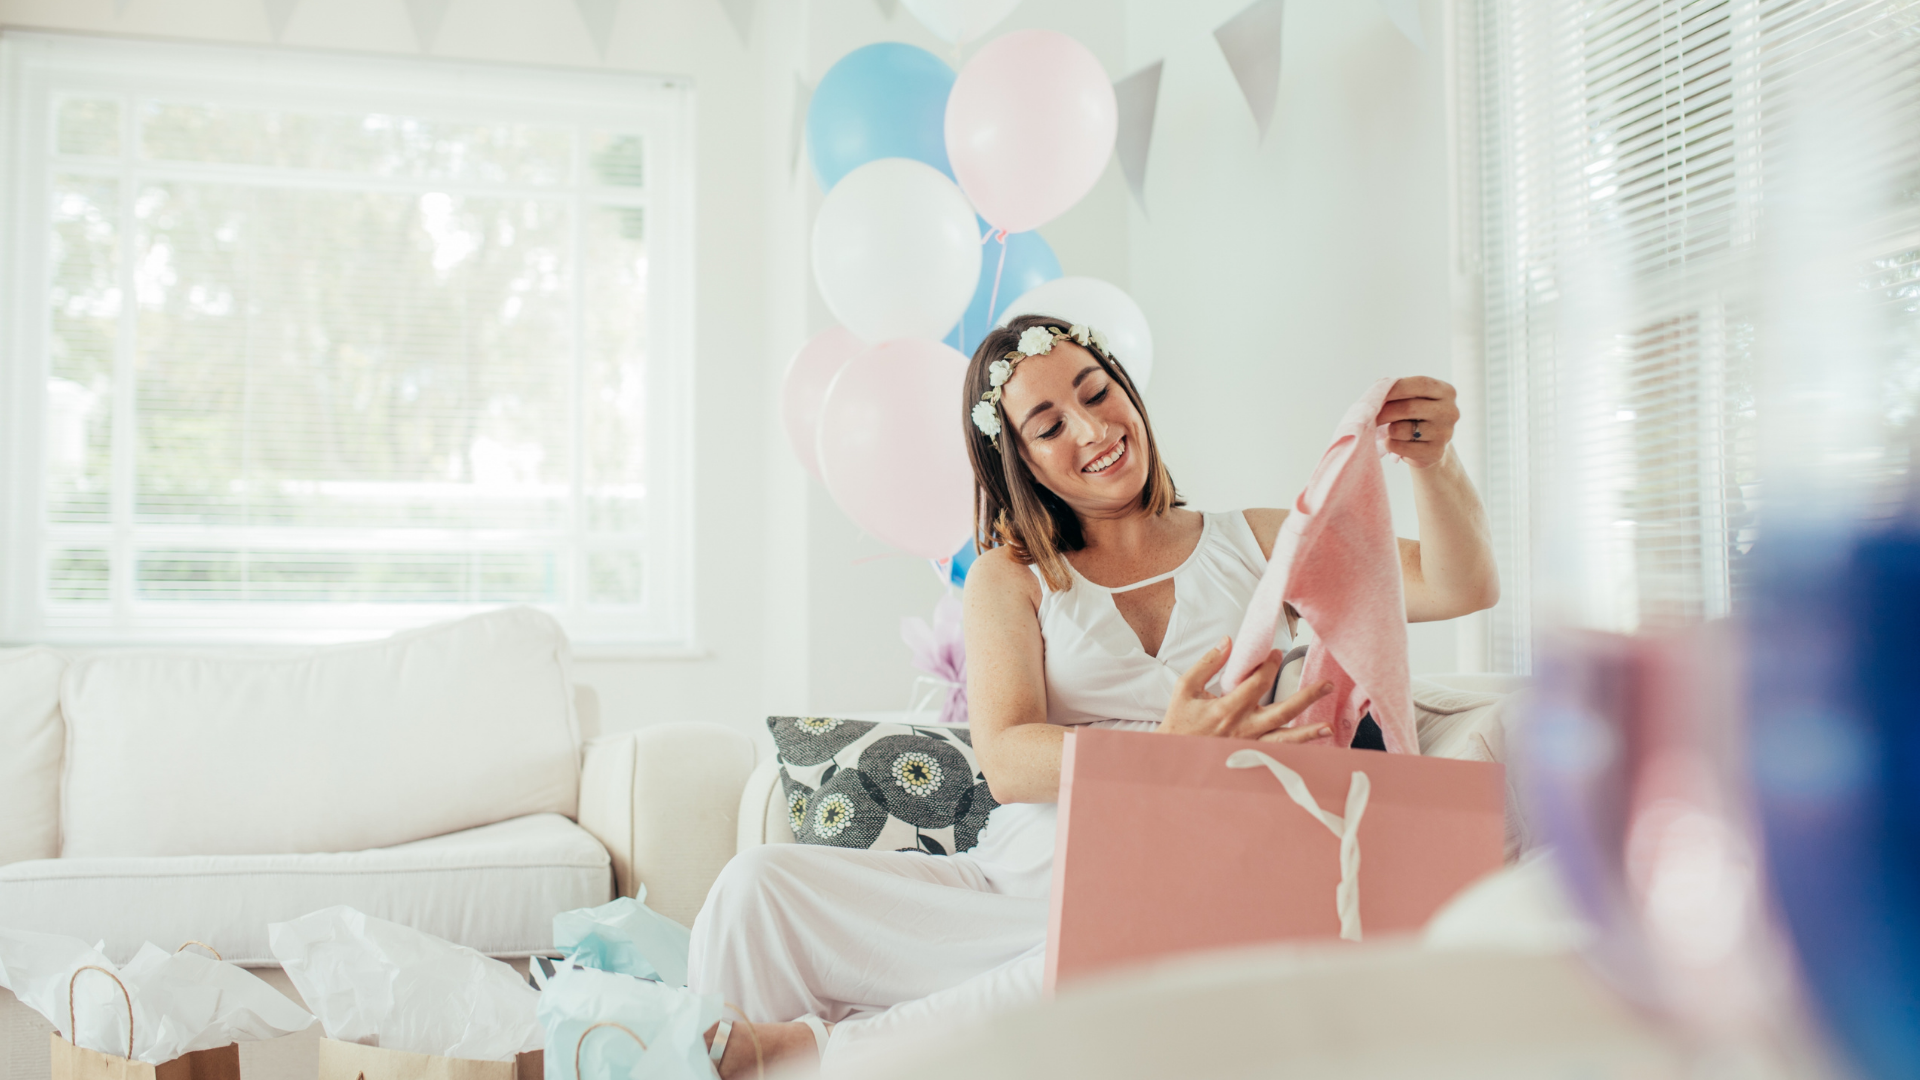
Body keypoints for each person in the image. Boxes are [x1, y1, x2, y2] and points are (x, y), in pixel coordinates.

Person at [688, 313, 1499, 1075]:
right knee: (755, 888)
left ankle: (805, 1055)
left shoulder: (1253, 544)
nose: (1092, 430)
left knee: (1113, 961)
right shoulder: (1013, 576)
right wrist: (1167, 751)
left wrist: (1433, 463)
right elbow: (1006, 758)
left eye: (1096, 392)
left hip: (1185, 875)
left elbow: (1461, 583)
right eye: (1048, 426)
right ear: (1023, 461)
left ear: (1126, 390)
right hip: (1018, 882)